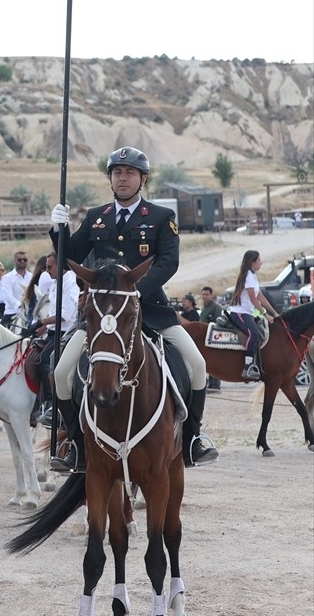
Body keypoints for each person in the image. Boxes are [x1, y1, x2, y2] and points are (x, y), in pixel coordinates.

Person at [49, 146, 215, 471]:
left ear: (143, 179)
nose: (122, 178)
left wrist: (136, 291)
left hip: (149, 307)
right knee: (60, 372)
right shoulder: (96, 217)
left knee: (197, 364)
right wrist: (59, 231)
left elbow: (169, 261)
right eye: (117, 173)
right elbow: (72, 257)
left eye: (129, 173)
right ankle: (77, 444)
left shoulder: (160, 217)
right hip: (102, 314)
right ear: (110, 179)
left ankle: (193, 438)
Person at [227, 250, 280, 381]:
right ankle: (248, 366)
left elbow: (260, 296)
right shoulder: (248, 277)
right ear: (252, 262)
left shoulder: (253, 276)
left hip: (248, 313)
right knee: (254, 334)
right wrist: (265, 314)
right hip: (240, 313)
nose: (261, 263)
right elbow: (253, 299)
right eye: (259, 261)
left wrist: (274, 312)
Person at [197, 285, 223, 390]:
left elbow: (218, 322)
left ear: (211, 295)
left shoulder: (215, 307)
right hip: (203, 337)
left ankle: (215, 383)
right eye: (203, 294)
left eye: (207, 294)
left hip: (212, 336)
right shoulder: (204, 307)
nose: (204, 296)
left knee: (213, 360)